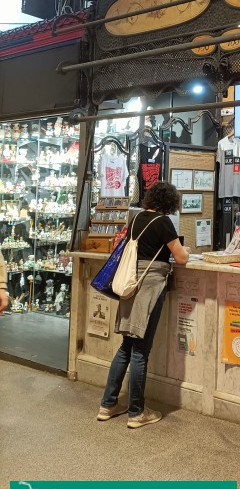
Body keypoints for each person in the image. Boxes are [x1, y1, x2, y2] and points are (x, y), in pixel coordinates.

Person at [97, 182, 190, 428]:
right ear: (170, 202)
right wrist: (186, 251)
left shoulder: (137, 219)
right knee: (140, 350)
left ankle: (108, 405)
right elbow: (180, 257)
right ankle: (136, 412)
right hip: (150, 287)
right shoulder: (163, 222)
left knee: (126, 345)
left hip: (131, 284)